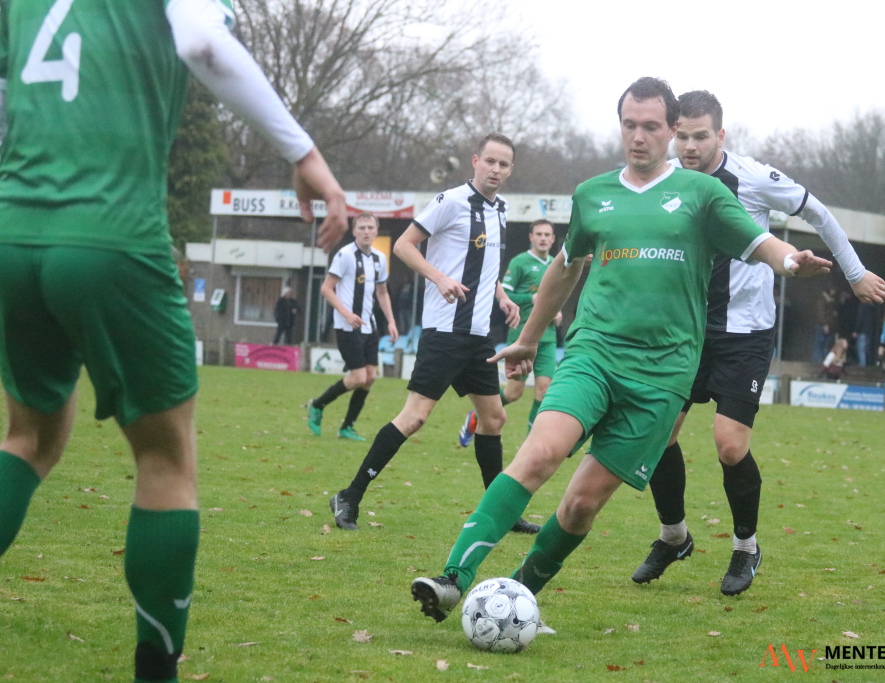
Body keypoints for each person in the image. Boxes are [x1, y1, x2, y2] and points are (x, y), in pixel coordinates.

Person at [0, 2, 347, 682]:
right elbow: (201, 41)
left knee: (29, 437)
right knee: (165, 459)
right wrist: (306, 155)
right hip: (113, 233)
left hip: (13, 230)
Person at [409, 77, 832, 624]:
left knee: (581, 504)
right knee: (539, 452)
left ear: (672, 130)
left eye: (651, 126)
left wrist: (790, 261)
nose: (638, 136)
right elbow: (566, 268)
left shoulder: (704, 195)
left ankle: (513, 600)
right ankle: (452, 579)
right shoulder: (593, 194)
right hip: (594, 354)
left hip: (662, 377)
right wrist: (531, 338)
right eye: (629, 125)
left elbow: (760, 244)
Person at [630, 90, 885, 596]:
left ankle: (746, 547)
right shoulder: (663, 180)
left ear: (720, 135)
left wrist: (855, 273)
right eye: (681, 134)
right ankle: (674, 536)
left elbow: (818, 213)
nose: (688, 145)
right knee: (658, 434)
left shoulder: (751, 177)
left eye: (700, 136)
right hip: (683, 331)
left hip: (745, 333)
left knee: (729, 446)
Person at [327, 134, 539, 535]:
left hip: (478, 336)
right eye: (489, 161)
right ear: (475, 161)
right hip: (444, 332)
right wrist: (438, 277)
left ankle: (497, 514)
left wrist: (503, 296)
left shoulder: (502, 210)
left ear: (510, 170)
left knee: (494, 419)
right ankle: (349, 496)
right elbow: (406, 246)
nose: (495, 169)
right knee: (415, 417)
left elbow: (486, 267)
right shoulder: (451, 201)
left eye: (503, 164)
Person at [458, 219, 563, 446]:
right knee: (514, 393)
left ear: (553, 239)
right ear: (531, 237)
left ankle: (531, 444)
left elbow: (558, 296)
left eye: (548, 234)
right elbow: (504, 296)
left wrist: (558, 311)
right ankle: (476, 416)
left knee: (544, 391)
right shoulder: (520, 262)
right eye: (539, 234)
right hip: (523, 335)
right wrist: (531, 299)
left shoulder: (556, 263)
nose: (543, 238)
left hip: (548, 337)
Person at [308, 213, 398, 440]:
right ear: (354, 231)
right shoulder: (345, 255)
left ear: (376, 230)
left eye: (370, 227)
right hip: (347, 326)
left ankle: (347, 427)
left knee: (370, 378)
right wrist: (347, 314)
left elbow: (382, 292)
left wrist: (391, 321)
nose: (367, 231)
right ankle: (317, 405)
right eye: (362, 227)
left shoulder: (379, 258)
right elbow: (326, 288)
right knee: (358, 378)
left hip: (370, 327)